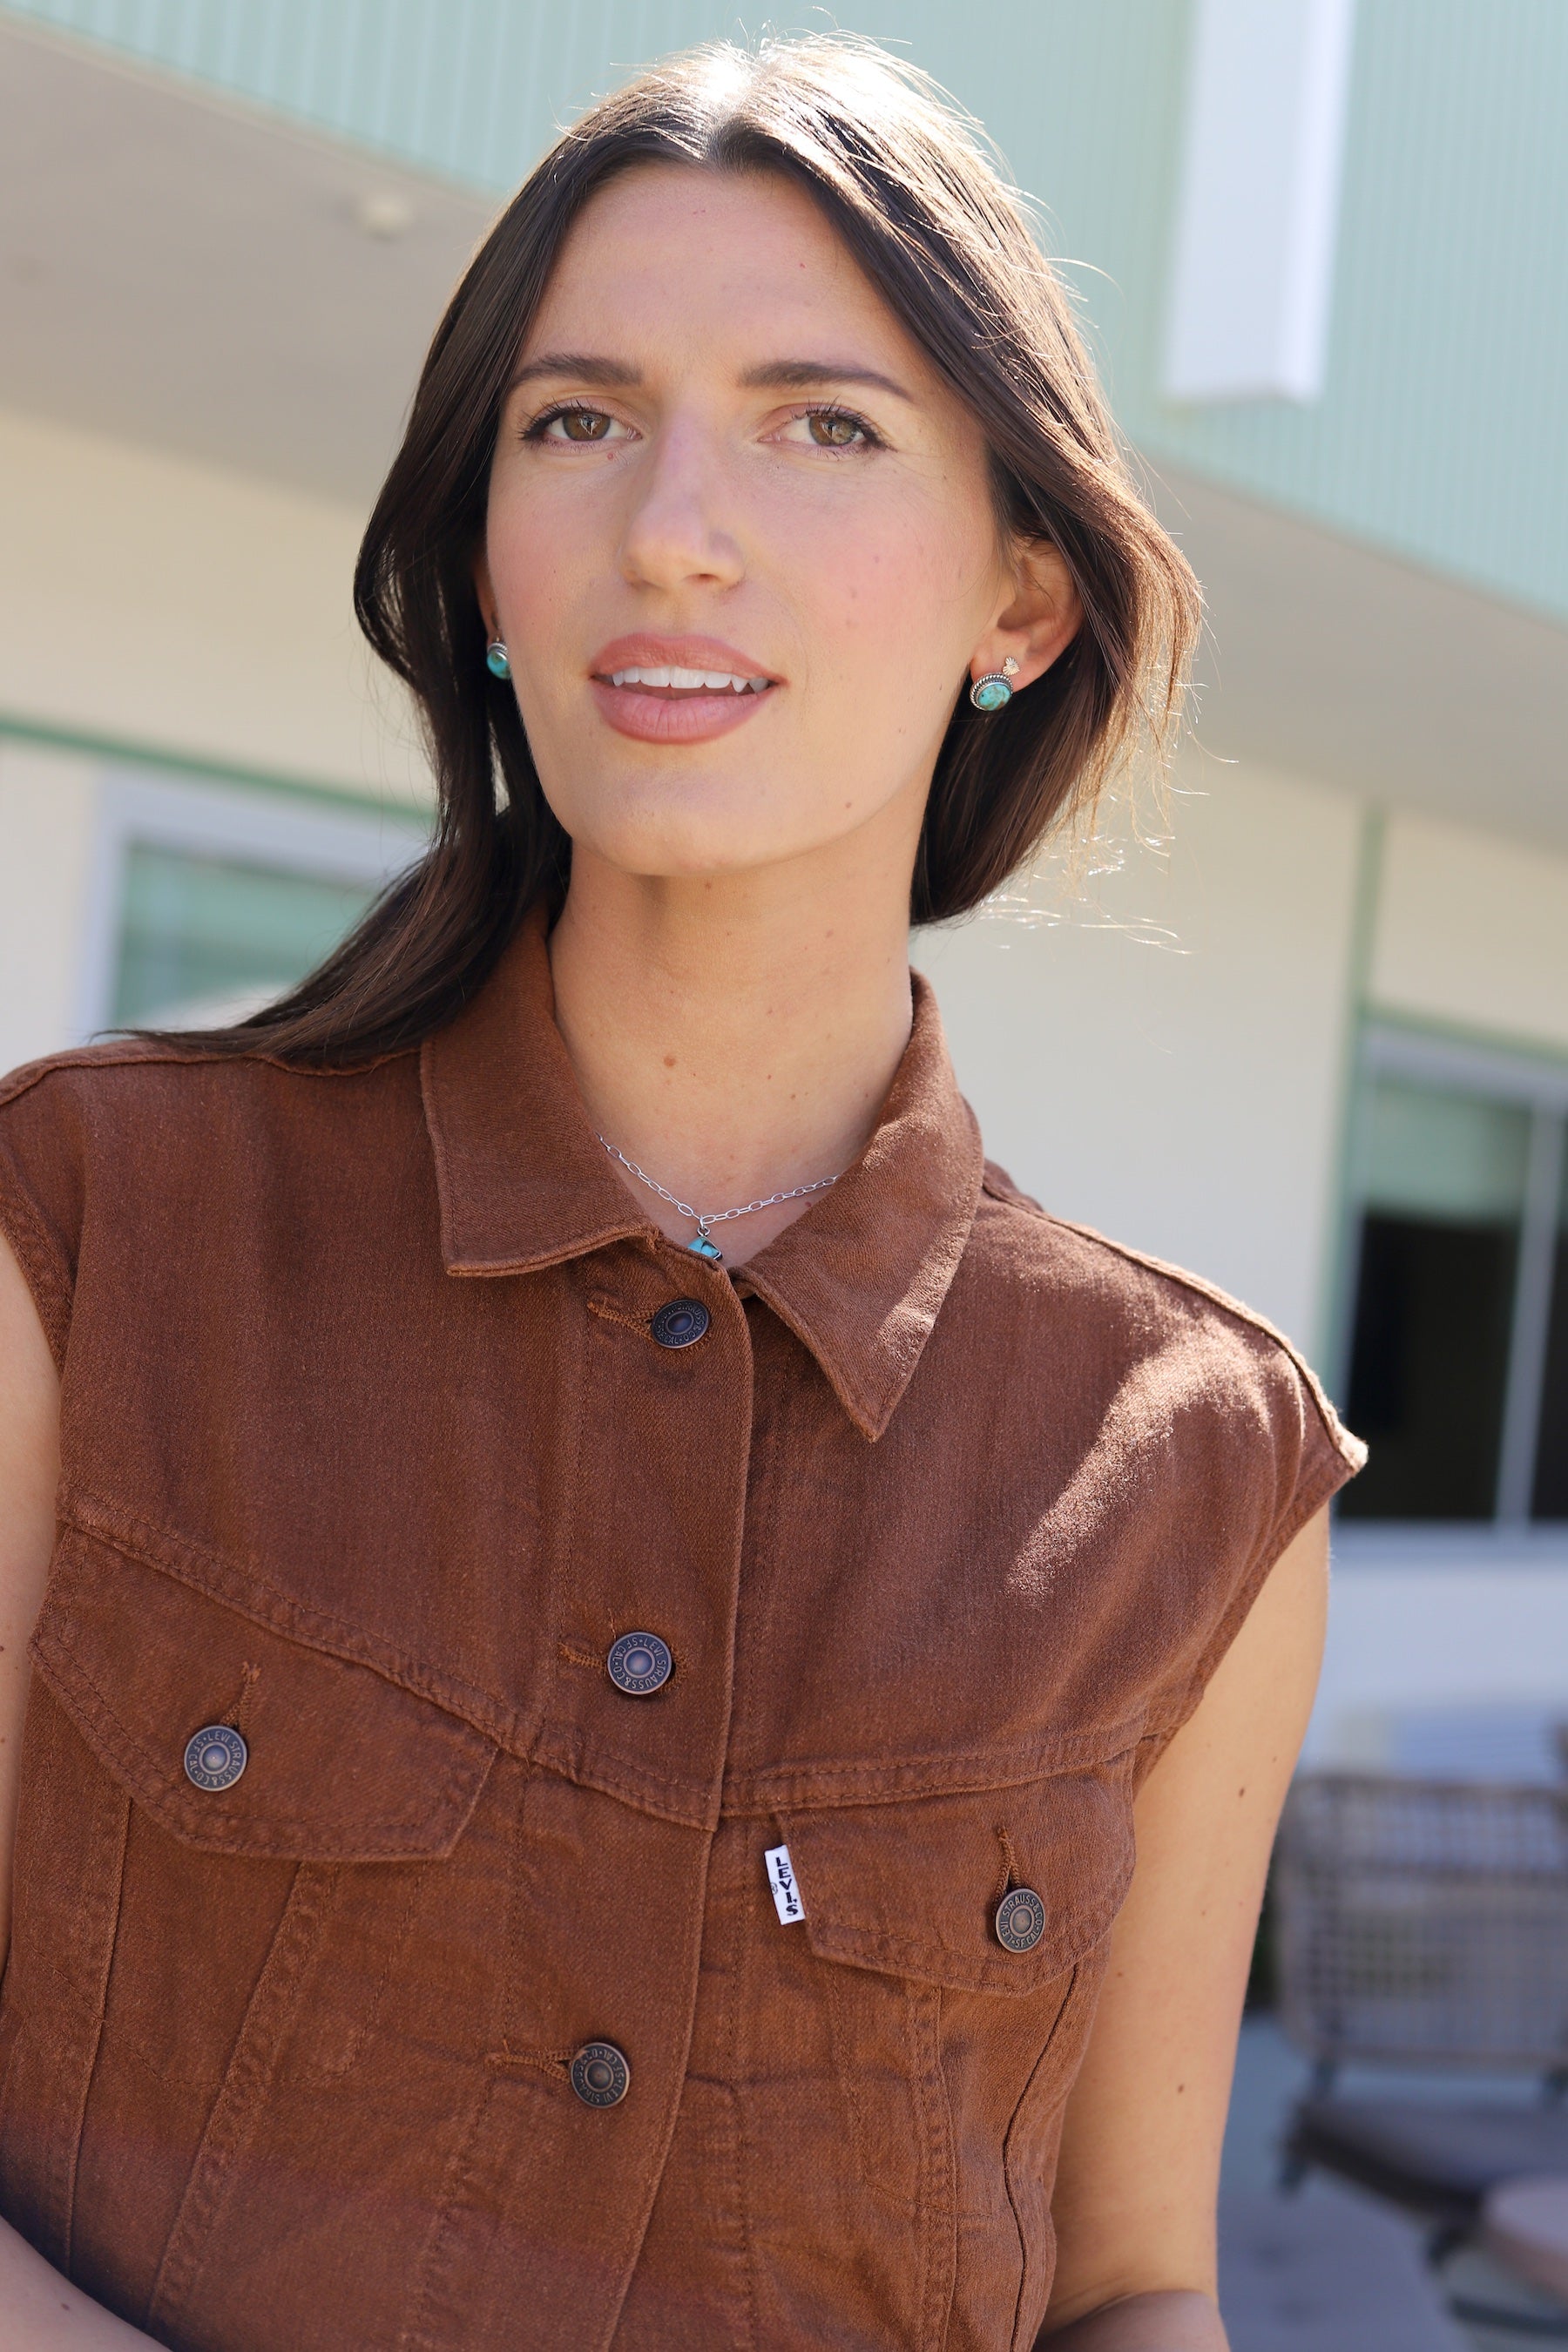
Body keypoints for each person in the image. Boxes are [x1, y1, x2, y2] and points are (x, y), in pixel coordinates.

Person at [0, 35, 1362, 2352]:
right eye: (577, 419)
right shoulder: (90, 1226)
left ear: (1020, 603)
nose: (674, 525)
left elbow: (1136, 2278)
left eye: (823, 423)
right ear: (491, 566)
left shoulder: (1199, 1465)